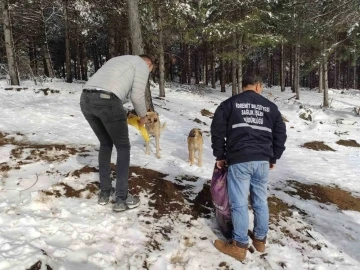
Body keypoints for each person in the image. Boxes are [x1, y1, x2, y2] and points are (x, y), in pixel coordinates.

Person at [210, 75, 287, 261]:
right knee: (260, 201)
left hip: (239, 159)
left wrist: (220, 155)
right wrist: (274, 156)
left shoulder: (229, 104)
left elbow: (217, 130)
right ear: (258, 86)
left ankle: (239, 245)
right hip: (262, 161)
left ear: (243, 86)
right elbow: (280, 134)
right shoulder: (271, 107)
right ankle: (260, 240)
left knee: (239, 204)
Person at [80, 54, 154, 212]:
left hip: (86, 99)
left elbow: (113, 90)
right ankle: (122, 197)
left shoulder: (118, 60)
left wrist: (125, 113)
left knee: (106, 144)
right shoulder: (141, 64)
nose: (149, 72)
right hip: (108, 100)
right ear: (149, 64)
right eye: (151, 70)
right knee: (123, 147)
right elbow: (136, 96)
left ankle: (105, 192)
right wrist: (142, 117)